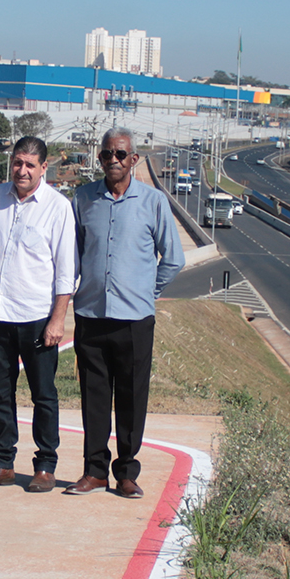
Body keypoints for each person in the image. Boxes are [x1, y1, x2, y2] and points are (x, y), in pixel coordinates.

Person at [67, 127, 184, 499]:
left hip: (135, 320)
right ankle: (94, 471)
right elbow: (75, 254)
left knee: (132, 398)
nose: (113, 161)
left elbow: (174, 259)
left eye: (120, 155)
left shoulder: (153, 202)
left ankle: (127, 472)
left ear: (133, 159)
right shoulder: (83, 199)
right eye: (106, 155)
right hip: (91, 316)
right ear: (98, 158)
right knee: (94, 397)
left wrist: (145, 291)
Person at [0, 137, 75, 493]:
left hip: (37, 318)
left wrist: (58, 319)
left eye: (30, 165)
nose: (22, 171)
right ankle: (2, 463)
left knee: (43, 393)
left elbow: (65, 270)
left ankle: (45, 464)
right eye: (17, 163)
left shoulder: (58, 207)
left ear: (44, 168)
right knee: (0, 393)